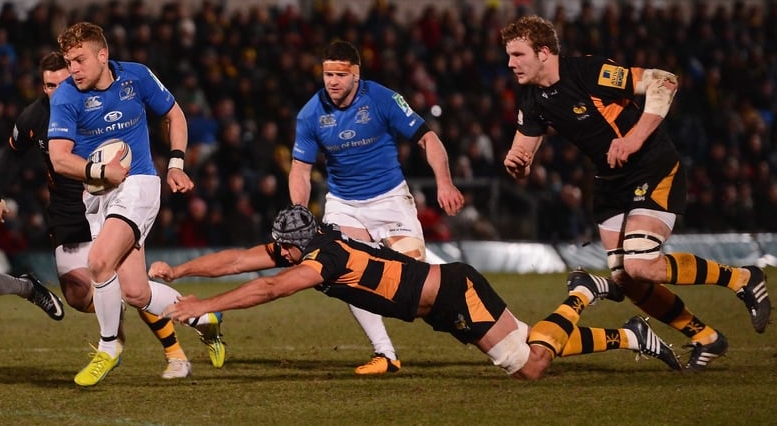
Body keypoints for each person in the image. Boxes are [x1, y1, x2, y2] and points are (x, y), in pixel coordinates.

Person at [500, 15, 771, 371]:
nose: (510, 63)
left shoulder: (588, 72)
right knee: (625, 277)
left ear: (545, 52)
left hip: (651, 166)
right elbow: (523, 153)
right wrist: (517, 165)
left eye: (518, 54)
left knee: (641, 264)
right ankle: (705, 336)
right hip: (610, 181)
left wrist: (633, 139)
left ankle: (743, 278)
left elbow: (665, 81)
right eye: (509, 55)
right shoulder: (533, 99)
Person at [153, 204, 682, 380]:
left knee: (530, 367)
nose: (278, 253)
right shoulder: (309, 239)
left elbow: (266, 288)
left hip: (451, 292)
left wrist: (205, 305)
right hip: (438, 301)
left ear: (297, 246)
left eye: (283, 249)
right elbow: (240, 260)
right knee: (528, 344)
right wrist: (181, 273)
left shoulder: (321, 260)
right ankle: (632, 335)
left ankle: (583, 293)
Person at [0, 51, 196, 379]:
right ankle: (119, 321)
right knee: (78, 296)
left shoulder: (93, 103)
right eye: (47, 86)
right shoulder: (33, 118)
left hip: (109, 202)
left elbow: (136, 132)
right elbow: (13, 154)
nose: (54, 92)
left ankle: (173, 351)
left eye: (60, 84)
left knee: (130, 285)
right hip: (67, 213)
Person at [46, 22, 225, 387]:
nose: (73, 69)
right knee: (136, 292)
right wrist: (101, 171)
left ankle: (109, 346)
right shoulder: (66, 96)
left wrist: (175, 164)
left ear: (102, 55)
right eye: (69, 61)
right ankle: (204, 317)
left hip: (140, 184)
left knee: (99, 261)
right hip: (97, 195)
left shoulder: (137, 77)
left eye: (79, 60)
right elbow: (59, 158)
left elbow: (175, 115)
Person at [288, 40, 465, 374]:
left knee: (414, 287)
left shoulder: (383, 98)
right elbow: (299, 169)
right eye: (328, 73)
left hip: (390, 201)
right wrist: (298, 208)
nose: (333, 81)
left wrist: (444, 181)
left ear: (357, 75)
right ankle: (384, 354)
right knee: (344, 271)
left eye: (341, 74)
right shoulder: (311, 113)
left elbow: (427, 138)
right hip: (344, 205)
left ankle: (474, 322)